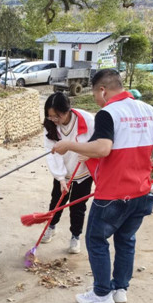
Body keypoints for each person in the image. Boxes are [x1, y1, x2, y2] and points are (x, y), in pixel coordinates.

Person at [52, 69, 153, 303]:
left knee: (96, 239)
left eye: (94, 93)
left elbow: (103, 148)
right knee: (126, 239)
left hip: (113, 194)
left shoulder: (108, 113)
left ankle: (102, 293)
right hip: (142, 192)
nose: (95, 98)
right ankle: (120, 289)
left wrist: (69, 145)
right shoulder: (148, 110)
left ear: (102, 90)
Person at [42, 92, 95, 254]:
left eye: (56, 116)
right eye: (50, 116)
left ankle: (75, 236)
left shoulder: (87, 120)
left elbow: (99, 141)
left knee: (78, 206)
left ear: (67, 111)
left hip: (83, 170)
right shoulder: (50, 125)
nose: (53, 120)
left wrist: (90, 153)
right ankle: (51, 227)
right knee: (57, 201)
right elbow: (52, 152)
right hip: (63, 170)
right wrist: (60, 177)